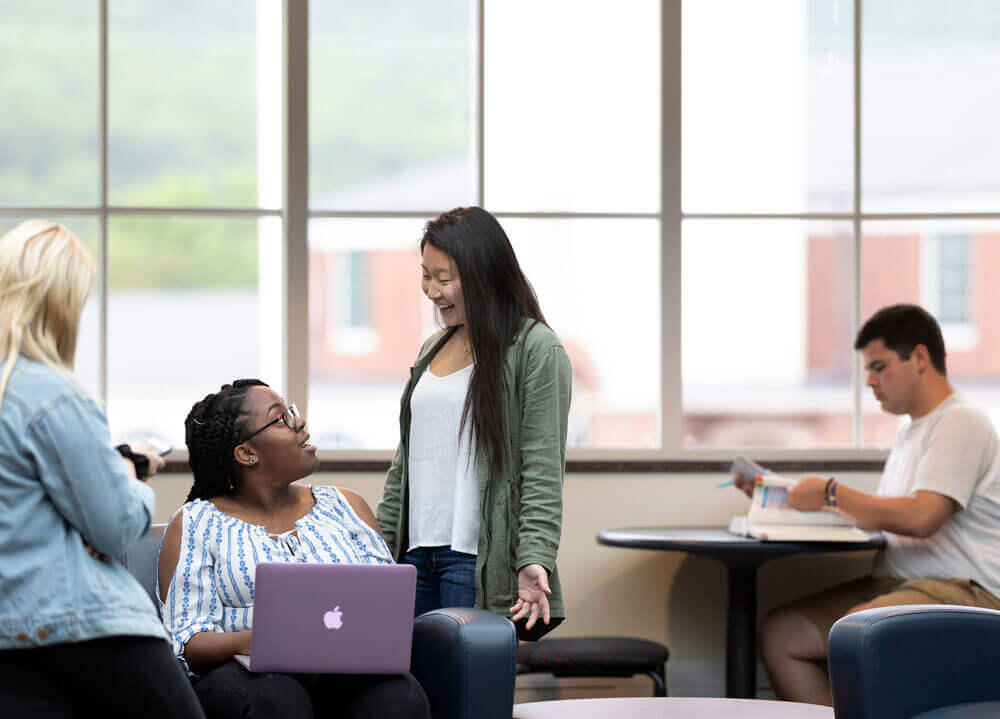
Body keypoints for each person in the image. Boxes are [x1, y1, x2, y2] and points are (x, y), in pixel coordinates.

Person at [745, 304, 1000, 705]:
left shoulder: (961, 422)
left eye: (879, 367)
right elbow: (892, 515)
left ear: (919, 358)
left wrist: (832, 492)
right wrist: (793, 507)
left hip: (963, 588)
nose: (869, 381)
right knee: (781, 635)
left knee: (856, 632)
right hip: (899, 581)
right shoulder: (909, 436)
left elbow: (922, 518)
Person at [0, 220, 204, 718]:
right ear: (61, 303)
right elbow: (113, 527)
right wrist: (129, 480)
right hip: (82, 628)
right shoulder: (52, 394)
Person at [157, 379, 431, 719]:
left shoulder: (346, 506)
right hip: (246, 676)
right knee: (277, 700)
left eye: (293, 412)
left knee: (399, 699)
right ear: (247, 453)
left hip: (345, 670)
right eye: (282, 417)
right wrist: (261, 639)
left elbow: (386, 611)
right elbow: (185, 640)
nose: (299, 422)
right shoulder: (196, 523)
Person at [377, 206, 572, 639]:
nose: (431, 291)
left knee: (461, 696)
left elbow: (542, 467)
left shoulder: (535, 349)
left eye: (444, 278)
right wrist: (380, 550)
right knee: (407, 694)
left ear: (484, 274)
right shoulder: (432, 348)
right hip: (412, 557)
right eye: (425, 275)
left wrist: (534, 556)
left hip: (474, 559)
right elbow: (404, 465)